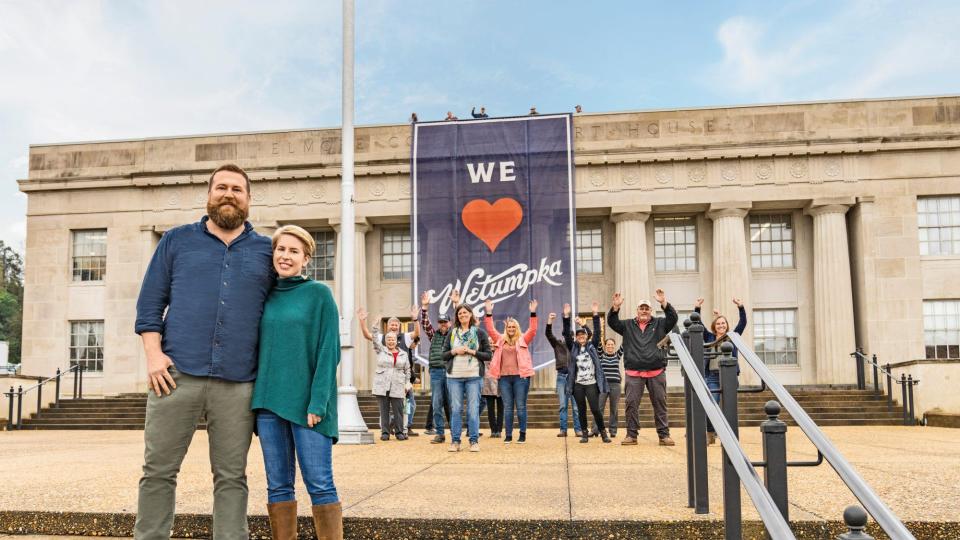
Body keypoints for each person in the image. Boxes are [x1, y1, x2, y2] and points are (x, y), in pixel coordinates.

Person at [133, 163, 275, 539]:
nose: (228, 194)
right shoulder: (176, 241)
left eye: (237, 189)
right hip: (175, 376)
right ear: (208, 194)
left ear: (249, 199)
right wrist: (153, 355)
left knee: (231, 476)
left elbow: (281, 311)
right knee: (158, 471)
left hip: (239, 381)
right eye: (221, 187)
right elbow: (150, 304)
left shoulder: (267, 251)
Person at [250, 225, 343, 540]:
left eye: (293, 251)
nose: (285, 256)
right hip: (268, 405)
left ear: (306, 259)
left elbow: (329, 351)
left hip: (309, 406)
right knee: (278, 486)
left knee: (319, 483)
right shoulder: (264, 296)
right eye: (280, 249)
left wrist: (319, 401)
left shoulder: (319, 295)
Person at [607, 288, 678, 447]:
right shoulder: (627, 325)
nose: (644, 311)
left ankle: (664, 435)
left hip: (656, 371)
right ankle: (631, 435)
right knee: (631, 404)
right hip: (634, 373)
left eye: (647, 308)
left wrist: (664, 303)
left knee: (660, 404)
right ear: (637, 311)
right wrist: (615, 308)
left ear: (651, 310)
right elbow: (612, 322)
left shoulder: (660, 323)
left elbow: (673, 318)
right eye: (641, 308)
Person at [484, 298, 538, 444]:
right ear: (506, 329)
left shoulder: (523, 340)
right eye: (509, 327)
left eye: (514, 327)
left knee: (520, 406)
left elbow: (533, 330)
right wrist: (489, 312)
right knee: (508, 407)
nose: (511, 329)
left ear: (517, 328)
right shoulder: (500, 340)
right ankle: (508, 435)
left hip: (521, 378)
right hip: (504, 379)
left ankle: (522, 434)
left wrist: (533, 313)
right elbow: (490, 329)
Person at [358, 306, 419, 436]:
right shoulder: (381, 348)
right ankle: (385, 431)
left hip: (399, 383)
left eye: (396, 324)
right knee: (384, 409)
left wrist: (416, 319)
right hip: (383, 383)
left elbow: (407, 369)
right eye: (391, 324)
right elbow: (371, 337)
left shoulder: (403, 348)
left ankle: (402, 430)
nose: (394, 327)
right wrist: (364, 322)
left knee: (404, 407)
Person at [694, 297, 747, 444]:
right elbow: (698, 324)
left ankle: (728, 437)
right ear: (714, 326)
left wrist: (741, 307)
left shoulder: (732, 337)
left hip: (729, 376)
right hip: (713, 376)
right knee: (712, 405)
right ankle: (711, 433)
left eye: (723, 323)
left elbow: (742, 323)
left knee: (729, 407)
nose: (721, 325)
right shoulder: (710, 337)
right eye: (718, 323)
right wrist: (697, 308)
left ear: (727, 325)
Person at [441, 303, 492, 452]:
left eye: (465, 313)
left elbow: (488, 355)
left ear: (471, 314)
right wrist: (455, 351)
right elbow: (443, 355)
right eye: (460, 313)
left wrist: (471, 351)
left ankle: (474, 441)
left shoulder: (479, 333)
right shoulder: (452, 333)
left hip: (474, 376)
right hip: (454, 376)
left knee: (473, 409)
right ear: (457, 316)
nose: (462, 315)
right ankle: (455, 441)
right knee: (456, 409)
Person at [567, 306, 611, 444]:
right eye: (578, 335)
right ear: (576, 338)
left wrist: (595, 314)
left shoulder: (592, 346)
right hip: (578, 385)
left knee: (595, 409)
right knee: (581, 410)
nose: (581, 337)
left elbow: (597, 332)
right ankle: (584, 434)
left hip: (591, 384)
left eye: (583, 335)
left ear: (586, 337)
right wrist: (566, 317)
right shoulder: (573, 348)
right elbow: (565, 335)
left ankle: (603, 433)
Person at [545, 304, 582, 437]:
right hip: (561, 376)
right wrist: (549, 322)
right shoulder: (558, 345)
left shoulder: (576, 347)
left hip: (574, 378)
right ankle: (563, 429)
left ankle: (578, 429)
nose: (569, 337)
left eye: (572, 336)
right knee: (563, 405)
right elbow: (548, 335)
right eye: (568, 335)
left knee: (576, 407)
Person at [420, 291, 452, 443]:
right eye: (441, 322)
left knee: (453, 402)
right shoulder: (435, 335)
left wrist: (456, 304)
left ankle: (455, 431)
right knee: (437, 402)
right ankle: (440, 432)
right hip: (436, 372)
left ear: (450, 323)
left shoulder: (454, 335)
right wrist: (425, 307)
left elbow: (462, 324)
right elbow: (425, 324)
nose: (443, 324)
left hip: (451, 372)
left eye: (445, 322)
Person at [592, 337, 624, 439]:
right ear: (605, 346)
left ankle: (613, 430)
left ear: (614, 346)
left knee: (614, 408)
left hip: (615, 385)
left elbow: (624, 344)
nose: (610, 346)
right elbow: (599, 344)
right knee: (599, 408)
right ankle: (595, 429)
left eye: (612, 344)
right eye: (608, 344)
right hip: (603, 385)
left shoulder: (617, 355)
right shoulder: (601, 355)